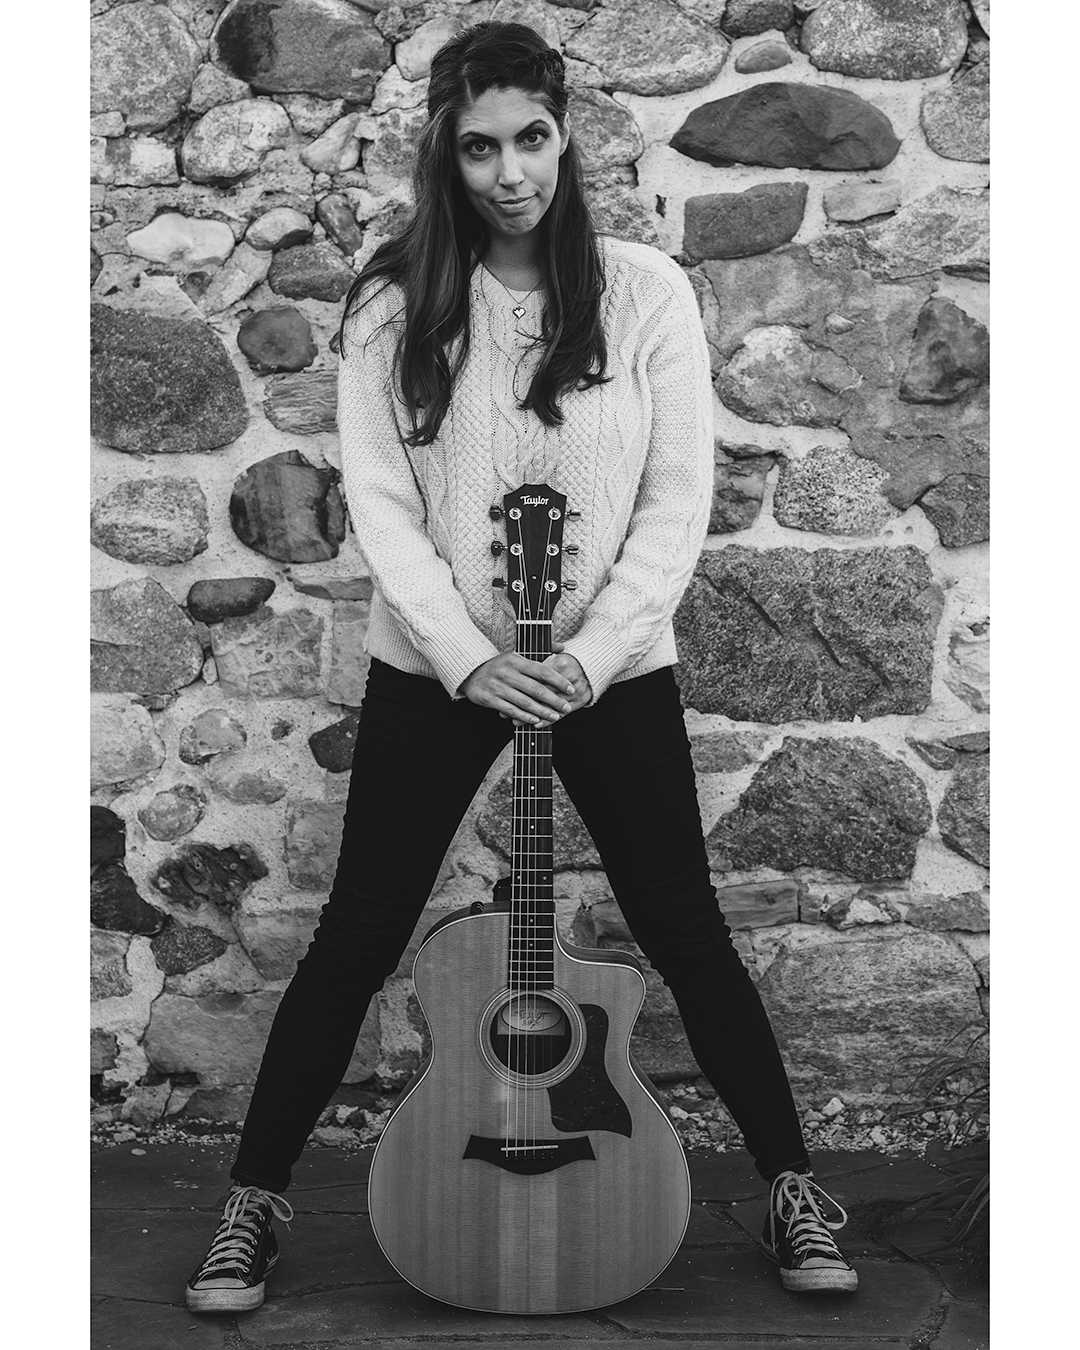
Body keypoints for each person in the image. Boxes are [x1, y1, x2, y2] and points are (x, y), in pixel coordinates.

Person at [184, 19, 857, 1315]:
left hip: (609, 669)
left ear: (566, 140)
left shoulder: (646, 295)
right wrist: (468, 658)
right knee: (358, 931)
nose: (509, 172)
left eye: (531, 140)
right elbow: (380, 505)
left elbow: (676, 502)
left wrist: (591, 658)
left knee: (683, 928)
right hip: (442, 670)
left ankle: (787, 1184)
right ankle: (252, 1201)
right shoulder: (395, 303)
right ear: (445, 151)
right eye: (480, 145)